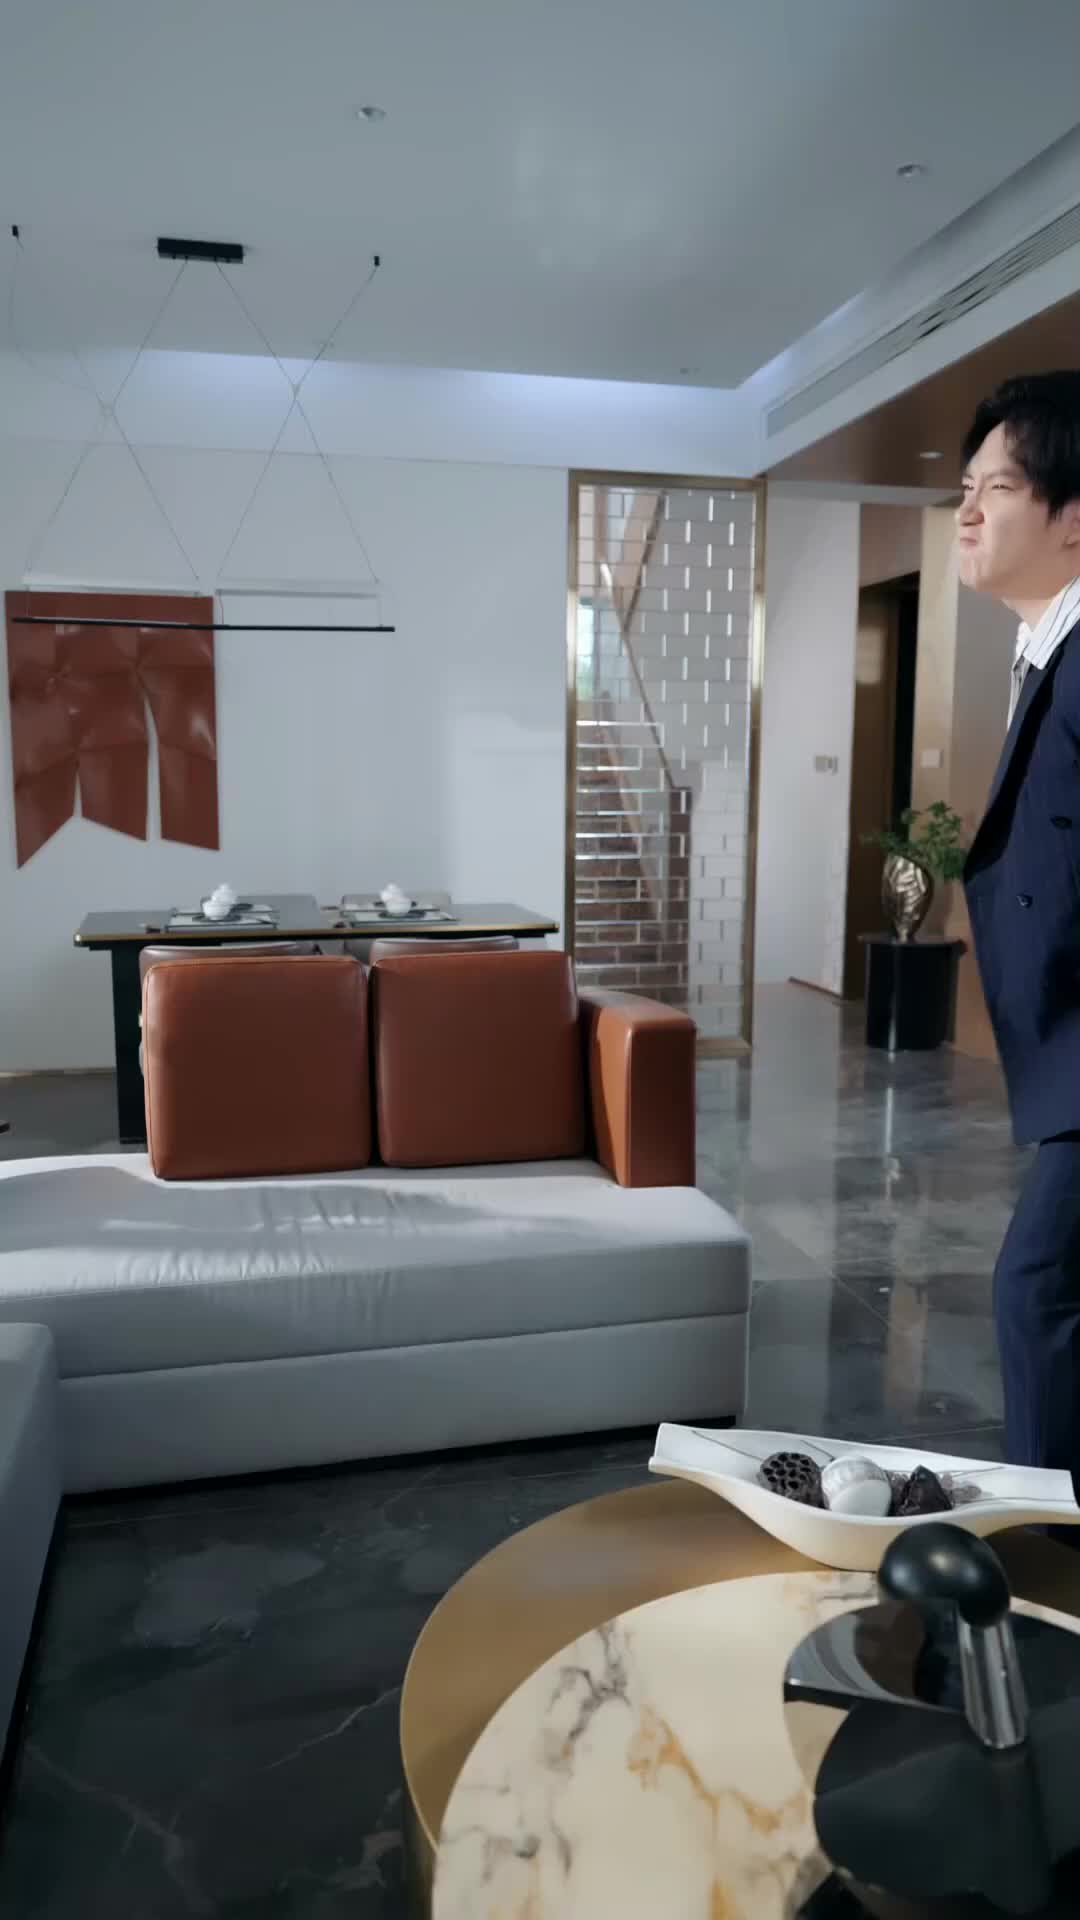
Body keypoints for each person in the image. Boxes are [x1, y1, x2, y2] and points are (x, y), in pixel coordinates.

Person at [959, 370, 1080, 1506]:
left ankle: (1053, 1552)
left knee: (1037, 1290)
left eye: (997, 487)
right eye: (966, 487)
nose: (967, 510)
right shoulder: (1049, 647)